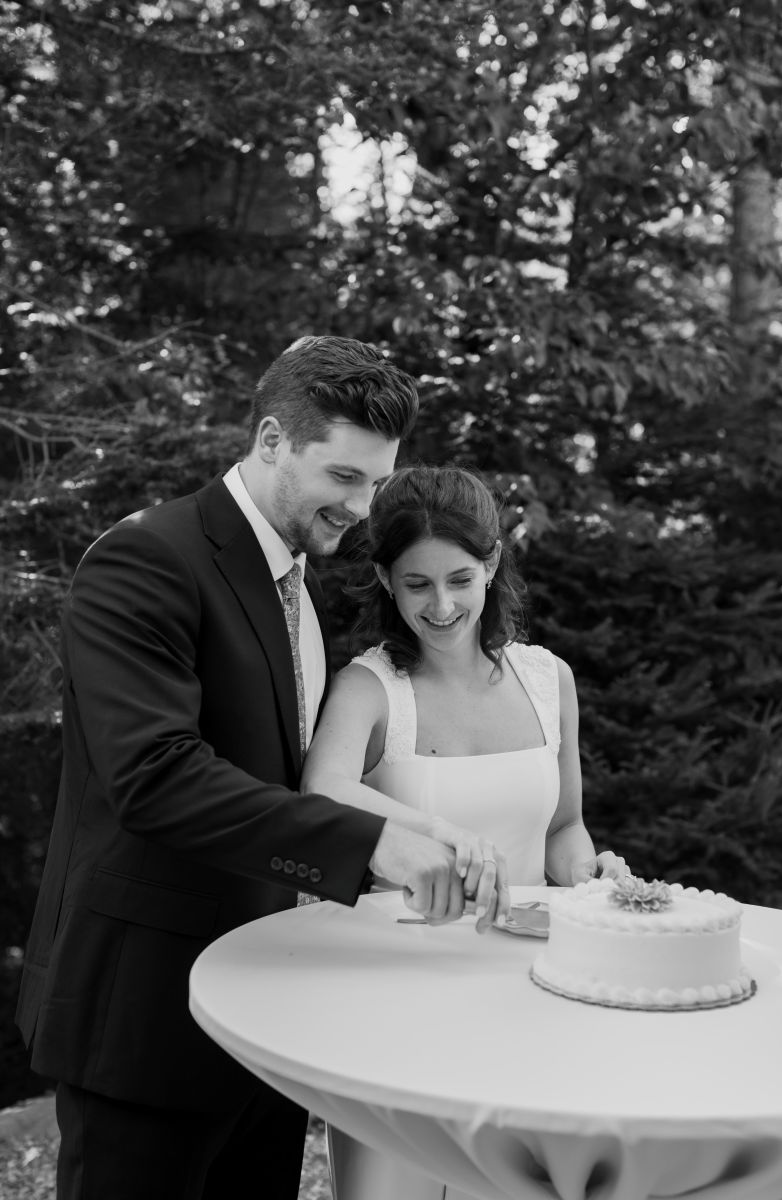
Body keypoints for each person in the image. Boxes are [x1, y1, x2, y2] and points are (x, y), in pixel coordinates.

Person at [15, 338, 504, 1200]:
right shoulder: (146, 559)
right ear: (273, 440)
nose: (362, 507)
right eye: (345, 478)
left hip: (265, 1017)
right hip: (144, 1018)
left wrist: (416, 825)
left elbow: (279, 783)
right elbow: (157, 777)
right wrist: (372, 845)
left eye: (377, 483)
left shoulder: (295, 584)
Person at [301, 463, 629, 1200]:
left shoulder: (550, 680)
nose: (442, 605)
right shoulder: (369, 685)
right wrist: (439, 828)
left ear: (491, 564)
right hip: (393, 997)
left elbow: (565, 829)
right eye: (417, 584)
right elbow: (322, 788)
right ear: (386, 580)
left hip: (531, 990)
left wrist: (588, 876)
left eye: (459, 579)